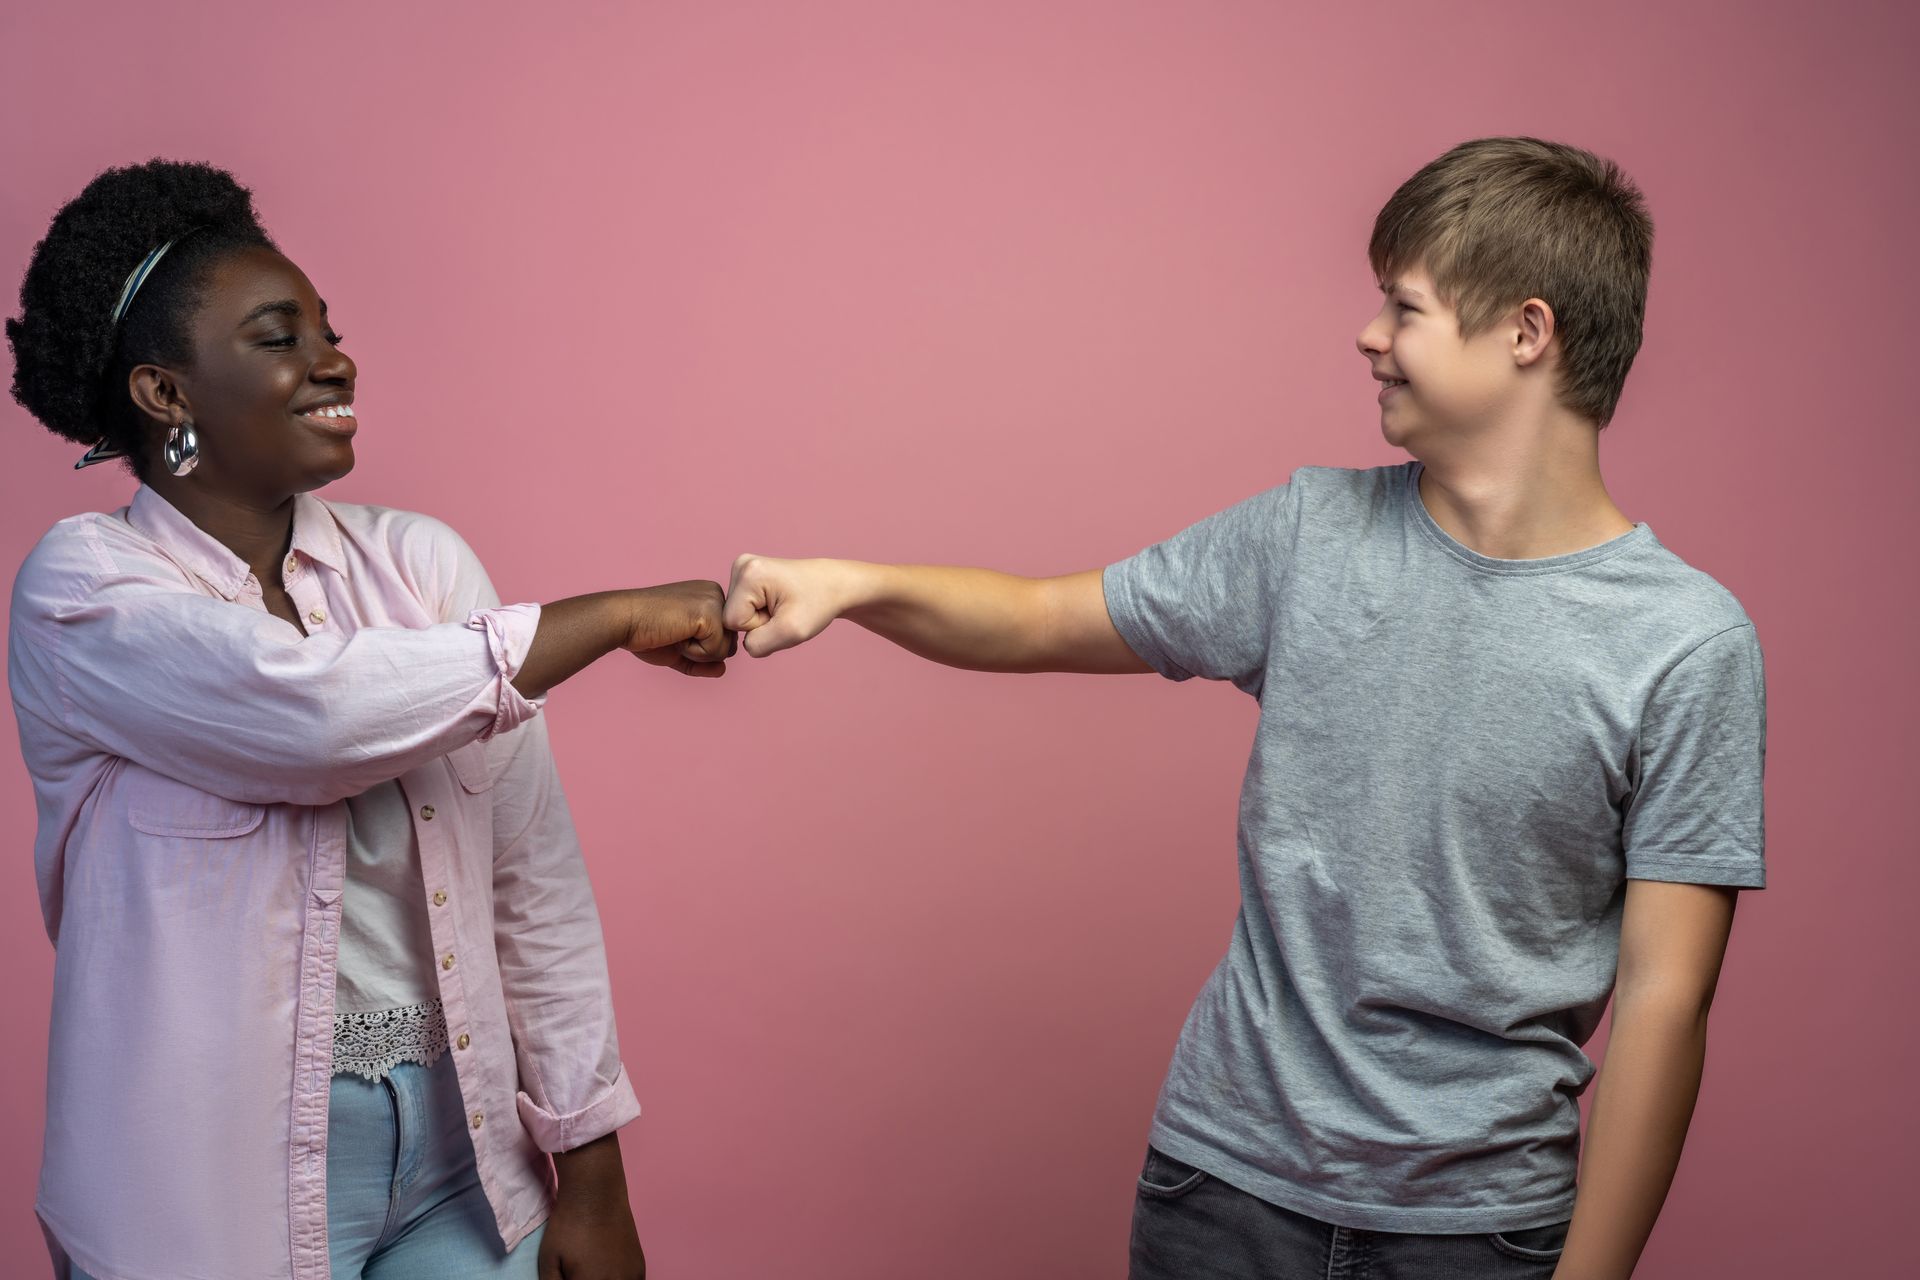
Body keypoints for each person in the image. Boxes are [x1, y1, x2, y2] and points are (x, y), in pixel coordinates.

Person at [722, 137, 1766, 1279]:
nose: (1369, 335)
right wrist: (851, 584)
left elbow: (1669, 996)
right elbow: (1035, 618)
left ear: (1528, 330)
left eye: (1403, 307)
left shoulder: (1686, 643)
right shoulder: (1308, 535)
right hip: (1220, 1195)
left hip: (1480, 1233)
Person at [6, 160, 731, 1280]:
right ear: (166, 394)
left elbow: (531, 882)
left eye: (329, 331)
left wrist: (592, 1177)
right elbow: (317, 719)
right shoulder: (83, 591)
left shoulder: (421, 565)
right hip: (200, 1195)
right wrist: (616, 616)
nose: (333, 359)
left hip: (461, 1157)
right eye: (277, 336)